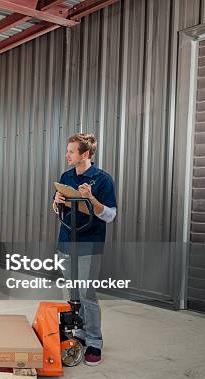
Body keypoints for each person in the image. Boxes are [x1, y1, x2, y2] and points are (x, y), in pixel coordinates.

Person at [52, 133, 117, 366]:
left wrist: (90, 199)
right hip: (66, 241)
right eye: (67, 150)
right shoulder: (66, 176)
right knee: (73, 292)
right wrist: (58, 201)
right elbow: (56, 207)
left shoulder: (102, 179)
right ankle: (79, 332)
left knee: (88, 295)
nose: (67, 155)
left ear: (85, 154)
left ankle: (94, 341)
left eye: (71, 151)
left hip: (89, 244)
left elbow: (109, 215)